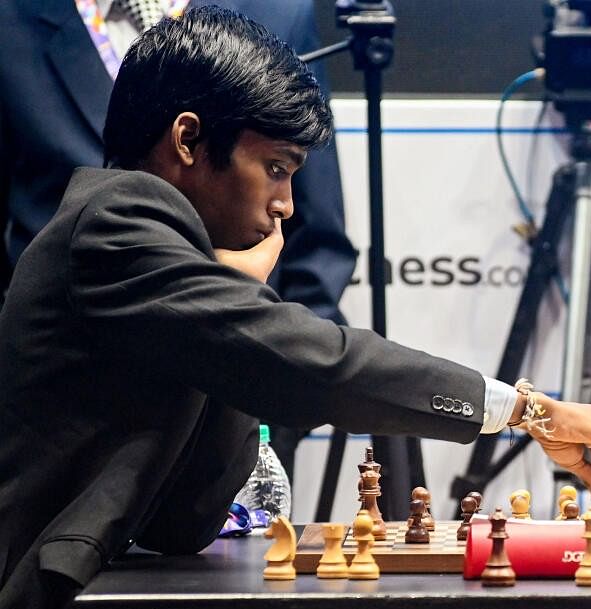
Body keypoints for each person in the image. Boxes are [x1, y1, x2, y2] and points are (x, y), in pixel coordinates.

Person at [0, 7, 591, 609]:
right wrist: (531, 411)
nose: (285, 205)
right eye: (275, 169)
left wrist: (231, 303)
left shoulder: (171, 272)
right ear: (188, 140)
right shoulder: (116, 223)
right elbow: (322, 365)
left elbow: (186, 522)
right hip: (48, 604)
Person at [0, 0, 358, 474]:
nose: (282, 200)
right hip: (59, 419)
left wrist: (273, 403)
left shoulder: (277, 15)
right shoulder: (11, 22)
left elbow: (314, 232)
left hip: (237, 408)